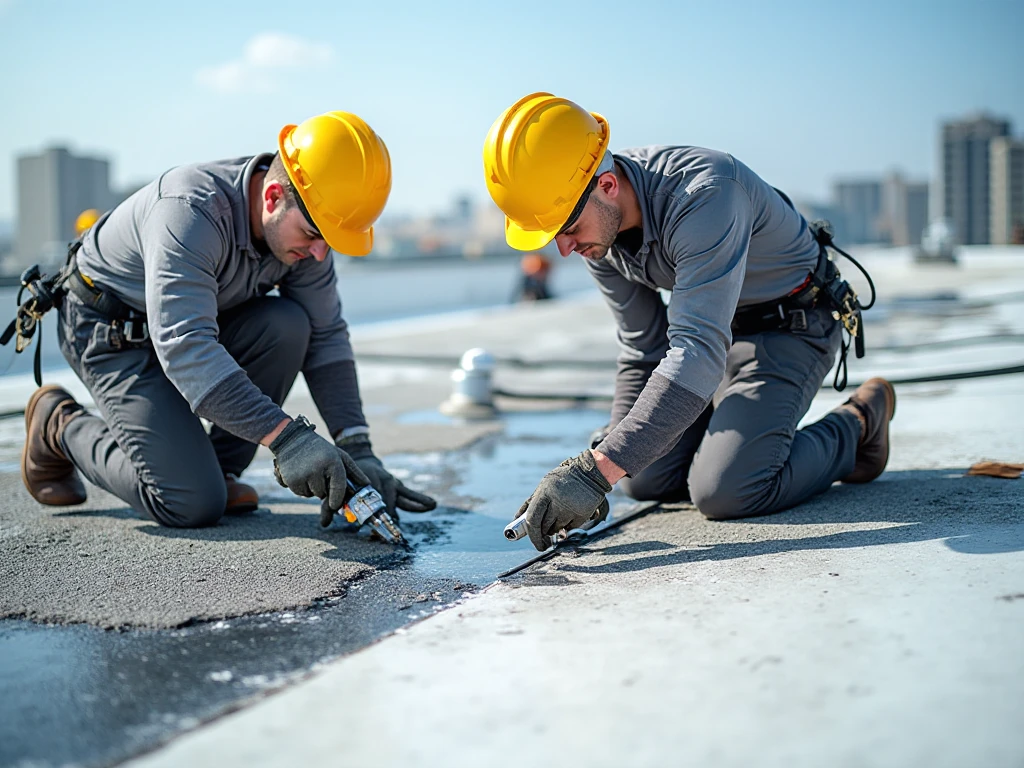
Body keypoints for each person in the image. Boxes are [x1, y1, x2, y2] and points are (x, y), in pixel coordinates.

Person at [482, 93, 896, 551]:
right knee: (643, 479)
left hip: (789, 328)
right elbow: (643, 347)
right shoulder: (598, 234)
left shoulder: (704, 196)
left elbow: (696, 353)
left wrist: (596, 471)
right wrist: (600, 464)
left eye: (568, 228)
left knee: (726, 490)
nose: (564, 249)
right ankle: (731, 426)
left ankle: (859, 423)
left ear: (607, 185)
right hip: (718, 336)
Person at [21, 111, 436, 528]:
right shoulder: (190, 211)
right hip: (111, 335)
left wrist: (358, 446)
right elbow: (187, 348)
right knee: (190, 503)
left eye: (330, 241)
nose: (320, 254)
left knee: (289, 325)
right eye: (314, 235)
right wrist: (287, 439)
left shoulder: (306, 235)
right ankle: (58, 423)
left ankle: (216, 471)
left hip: (184, 333)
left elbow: (326, 335)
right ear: (273, 197)